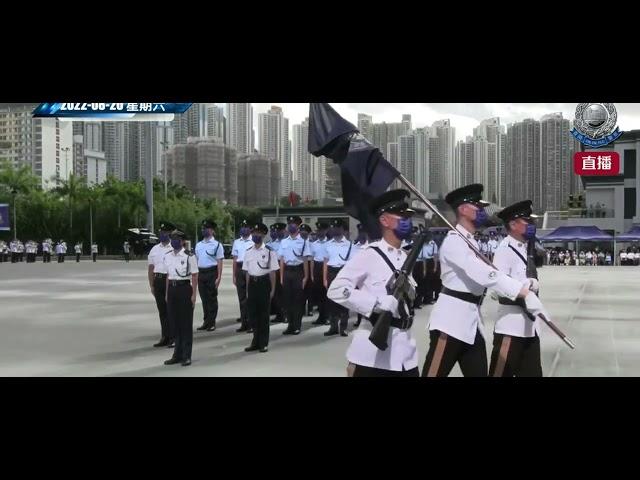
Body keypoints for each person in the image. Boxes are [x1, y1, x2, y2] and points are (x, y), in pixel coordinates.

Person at [422, 184, 548, 377]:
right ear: (463, 209)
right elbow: (483, 273)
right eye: (478, 207)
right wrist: (523, 292)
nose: (482, 211)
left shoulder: (471, 241)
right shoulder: (454, 241)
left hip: (472, 323)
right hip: (449, 322)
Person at [327, 189, 419, 377]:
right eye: (401, 216)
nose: (406, 220)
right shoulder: (370, 254)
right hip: (373, 356)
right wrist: (375, 303)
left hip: (405, 353)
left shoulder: (405, 257)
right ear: (384, 220)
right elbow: (336, 289)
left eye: (408, 216)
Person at [490, 200, 544, 377]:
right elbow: (499, 288)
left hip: (530, 328)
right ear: (513, 224)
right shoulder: (504, 250)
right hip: (510, 328)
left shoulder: (526, 248)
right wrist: (525, 289)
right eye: (527, 221)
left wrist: (533, 283)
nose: (532, 225)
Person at [163, 230, 199, 367]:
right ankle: (176, 355)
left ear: (183, 241)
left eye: (177, 238)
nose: (174, 241)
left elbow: (195, 276)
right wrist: (167, 293)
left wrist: (194, 295)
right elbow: (168, 275)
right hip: (172, 289)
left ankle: (186, 355)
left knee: (185, 324)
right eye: (172, 238)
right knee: (174, 323)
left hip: (184, 289)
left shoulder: (189, 256)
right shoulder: (168, 256)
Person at [242, 223, 279, 353]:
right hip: (252, 284)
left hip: (264, 284)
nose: (255, 235)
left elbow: (272, 273)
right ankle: (255, 341)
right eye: (254, 233)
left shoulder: (269, 251)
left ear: (263, 235)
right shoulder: (248, 251)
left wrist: (272, 290)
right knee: (253, 315)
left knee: (263, 315)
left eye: (258, 233)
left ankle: (263, 343)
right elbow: (247, 272)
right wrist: (247, 290)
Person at [278, 215, 310, 335]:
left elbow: (305, 260)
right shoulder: (284, 242)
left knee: (297, 300)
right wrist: (281, 276)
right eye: (289, 223)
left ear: (298, 226)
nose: (291, 225)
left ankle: (297, 325)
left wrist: (306, 277)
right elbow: (281, 260)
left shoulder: (303, 242)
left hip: (298, 271)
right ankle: (290, 325)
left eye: (294, 223)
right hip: (287, 271)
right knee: (288, 300)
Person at [323, 219, 355, 337]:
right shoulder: (328, 244)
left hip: (343, 272)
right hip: (331, 272)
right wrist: (325, 278)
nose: (335, 229)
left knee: (344, 300)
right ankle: (333, 326)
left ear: (343, 229)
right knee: (332, 300)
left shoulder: (350, 245)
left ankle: (343, 327)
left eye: (338, 227)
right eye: (333, 227)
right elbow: (325, 262)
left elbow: (352, 264)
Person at [148, 222, 176, 348]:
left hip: (169, 280)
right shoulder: (155, 249)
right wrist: (152, 285)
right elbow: (150, 268)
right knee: (162, 311)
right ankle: (165, 336)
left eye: (165, 232)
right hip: (158, 281)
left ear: (170, 233)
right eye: (161, 232)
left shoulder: (174, 248)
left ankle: (173, 337)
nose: (162, 234)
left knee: (171, 310)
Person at [194, 219, 224, 332]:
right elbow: (196, 260)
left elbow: (219, 261)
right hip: (201, 272)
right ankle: (206, 321)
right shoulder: (199, 245)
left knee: (212, 298)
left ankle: (212, 322)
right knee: (204, 298)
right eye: (203, 228)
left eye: (206, 228)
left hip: (212, 272)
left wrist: (219, 277)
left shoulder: (217, 245)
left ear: (212, 230)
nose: (204, 230)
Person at [232, 220, 254, 333]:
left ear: (250, 229)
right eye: (242, 227)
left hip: (250, 268)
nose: (244, 229)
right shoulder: (237, 242)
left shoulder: (253, 241)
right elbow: (235, 259)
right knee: (241, 297)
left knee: (249, 296)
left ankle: (251, 323)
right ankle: (244, 323)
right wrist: (234, 275)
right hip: (240, 269)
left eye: (246, 227)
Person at [310, 221, 330, 326]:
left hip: (326, 267)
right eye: (318, 230)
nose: (319, 232)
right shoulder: (314, 244)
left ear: (326, 231)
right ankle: (321, 316)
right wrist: (312, 274)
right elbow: (312, 259)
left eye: (321, 230)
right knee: (319, 294)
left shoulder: (330, 243)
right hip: (317, 268)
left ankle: (328, 317)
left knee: (327, 294)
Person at [268, 223, 286, 324]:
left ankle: (285, 315)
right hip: (272, 268)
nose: (275, 233)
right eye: (273, 231)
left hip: (282, 267)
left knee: (283, 293)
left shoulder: (285, 242)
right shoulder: (269, 244)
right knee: (275, 293)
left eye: (278, 231)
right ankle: (279, 314)